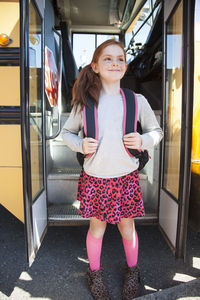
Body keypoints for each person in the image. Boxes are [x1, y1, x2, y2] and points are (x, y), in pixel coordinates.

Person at [62, 39, 163, 300]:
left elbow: (157, 131)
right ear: (95, 66)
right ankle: (94, 273)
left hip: (126, 178)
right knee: (97, 229)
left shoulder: (136, 101)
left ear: (126, 66)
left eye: (120, 58)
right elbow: (66, 133)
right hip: (95, 179)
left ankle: (133, 271)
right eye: (107, 58)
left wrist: (144, 140)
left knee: (127, 228)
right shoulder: (84, 103)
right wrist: (80, 143)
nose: (115, 62)